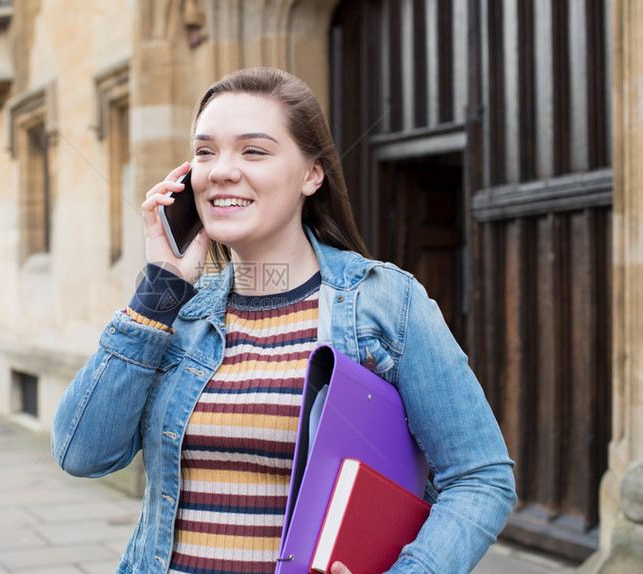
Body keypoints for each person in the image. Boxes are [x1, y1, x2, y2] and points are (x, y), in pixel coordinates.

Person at [51, 67, 516, 574]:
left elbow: (480, 477)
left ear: (312, 174)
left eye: (253, 150)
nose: (221, 170)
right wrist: (159, 291)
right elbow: (82, 454)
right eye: (205, 151)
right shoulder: (176, 312)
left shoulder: (385, 303)